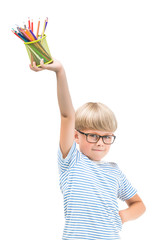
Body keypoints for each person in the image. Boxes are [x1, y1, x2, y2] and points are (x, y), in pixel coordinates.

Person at [30, 59, 146, 240]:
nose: (100, 142)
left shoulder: (114, 172)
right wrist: (59, 71)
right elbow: (67, 115)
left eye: (107, 137)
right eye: (93, 135)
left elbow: (139, 204)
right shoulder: (71, 161)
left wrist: (122, 216)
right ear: (76, 136)